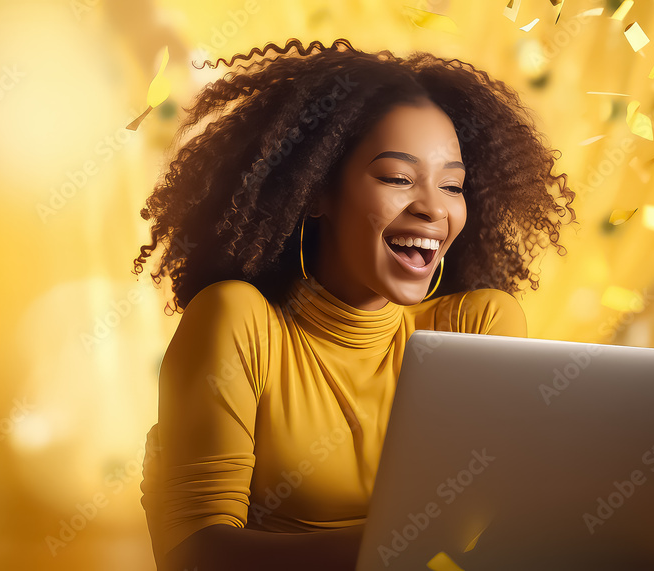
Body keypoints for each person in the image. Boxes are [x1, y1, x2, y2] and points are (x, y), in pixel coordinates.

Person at [132, 38, 575, 571]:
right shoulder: (239, 321)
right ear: (315, 191)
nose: (434, 208)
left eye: (452, 186)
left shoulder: (477, 326)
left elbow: (498, 535)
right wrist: (403, 545)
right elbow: (193, 558)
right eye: (397, 178)